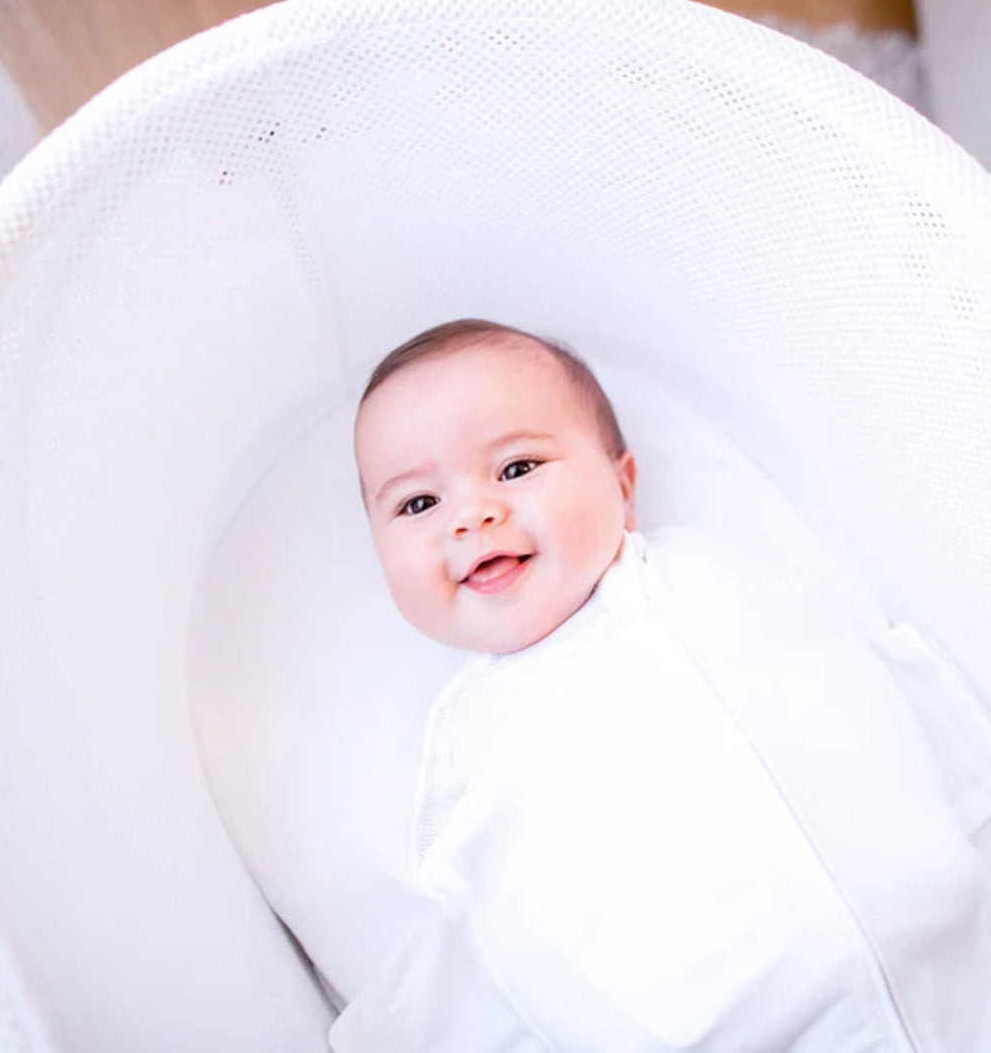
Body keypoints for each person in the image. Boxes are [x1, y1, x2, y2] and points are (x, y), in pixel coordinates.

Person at [340, 318, 991, 1052]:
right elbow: (496, 939)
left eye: (517, 468)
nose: (473, 515)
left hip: (951, 968)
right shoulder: (471, 739)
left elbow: (857, 673)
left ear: (623, 485)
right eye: (418, 504)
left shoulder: (719, 575)